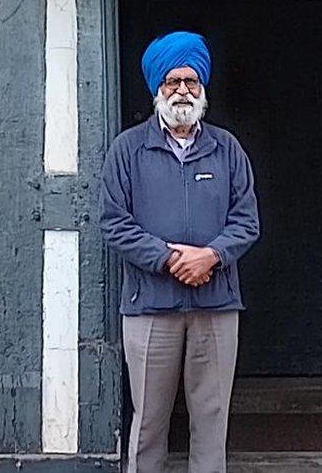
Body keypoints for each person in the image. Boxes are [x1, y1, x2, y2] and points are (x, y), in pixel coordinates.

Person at [100, 31, 261, 473]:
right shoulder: (127, 150)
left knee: (211, 420)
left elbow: (247, 222)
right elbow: (114, 222)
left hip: (216, 305)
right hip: (149, 307)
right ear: (157, 89)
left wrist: (210, 256)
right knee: (149, 421)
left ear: (203, 88)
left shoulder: (227, 149)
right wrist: (170, 259)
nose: (183, 90)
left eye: (191, 81)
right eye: (172, 81)